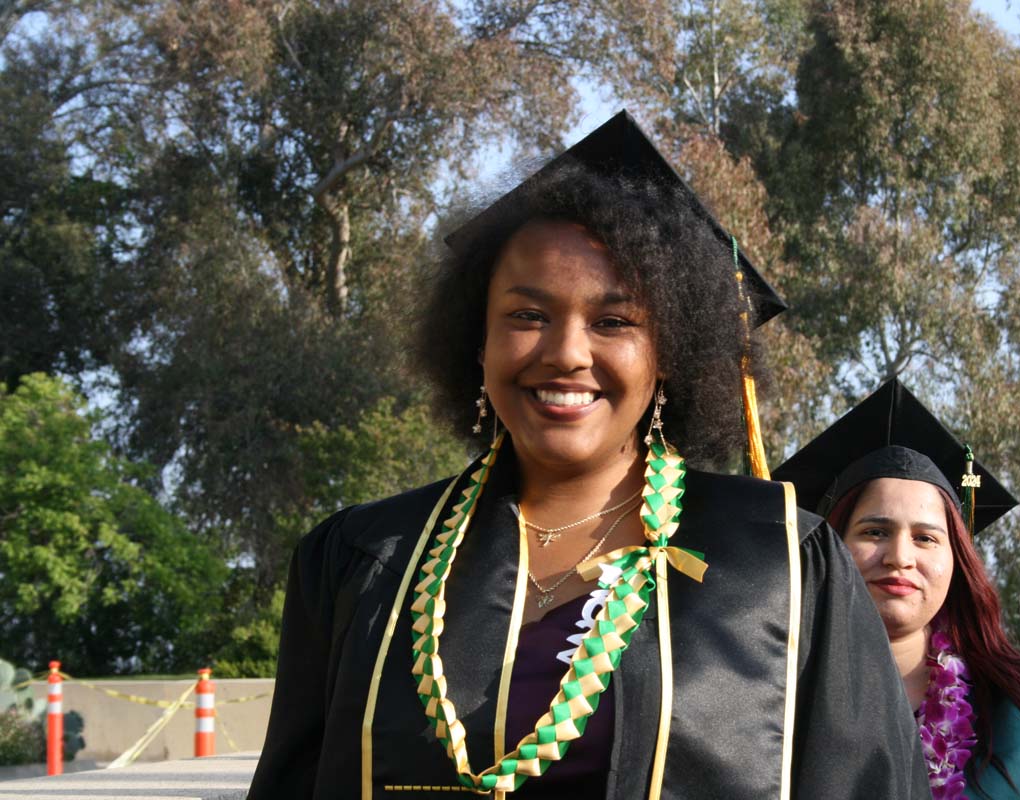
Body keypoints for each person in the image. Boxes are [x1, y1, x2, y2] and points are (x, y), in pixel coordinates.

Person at [247, 111, 929, 800]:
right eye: (526, 316)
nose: (567, 353)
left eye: (614, 322)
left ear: (669, 355)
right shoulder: (366, 561)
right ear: (477, 345)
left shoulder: (779, 561)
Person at [774, 378, 1020, 800]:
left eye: (925, 538)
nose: (900, 556)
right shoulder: (774, 698)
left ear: (957, 561)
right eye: (875, 530)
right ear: (831, 548)